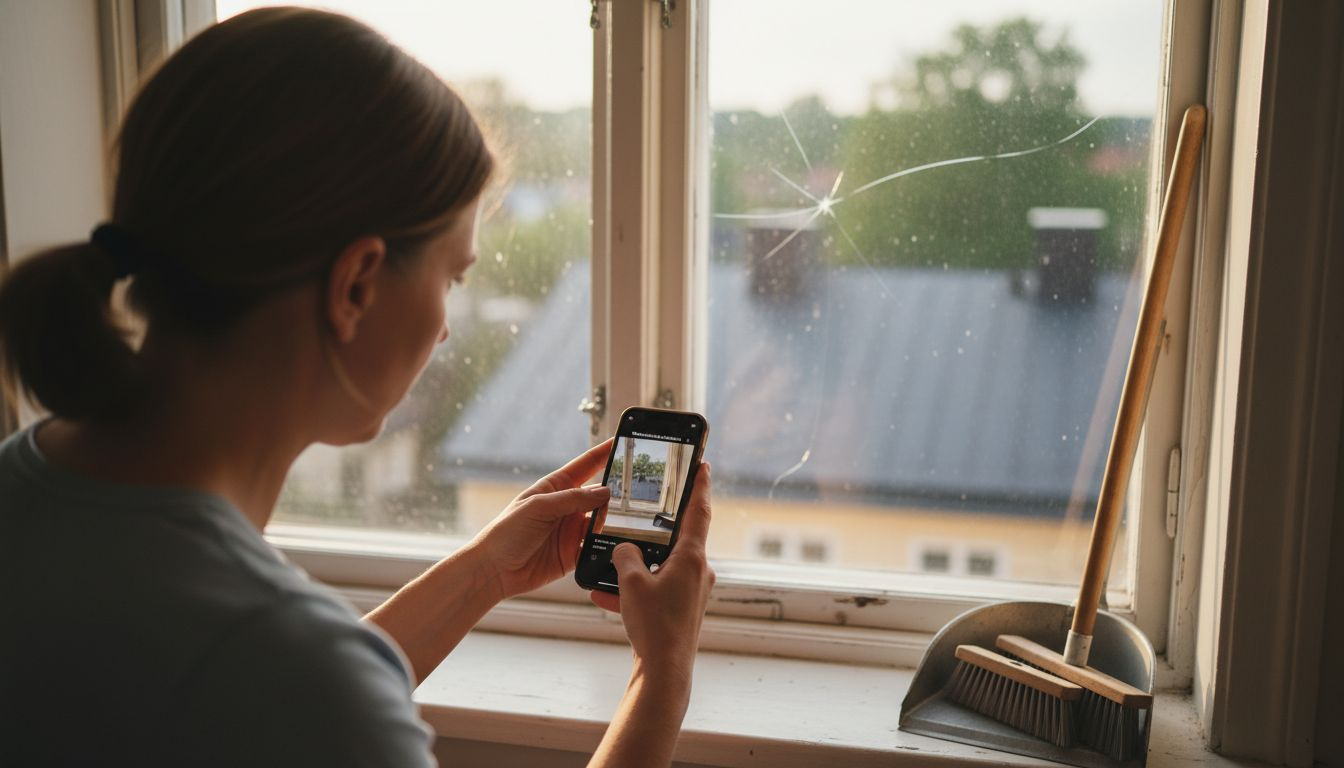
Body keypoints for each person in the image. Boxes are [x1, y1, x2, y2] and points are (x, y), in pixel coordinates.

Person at [0, 7, 715, 767]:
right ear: (357, 286)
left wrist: (483, 573)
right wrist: (662, 673)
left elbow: (270, 703)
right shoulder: (287, 670)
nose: (445, 328)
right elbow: (298, 692)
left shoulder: (28, 478)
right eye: (453, 276)